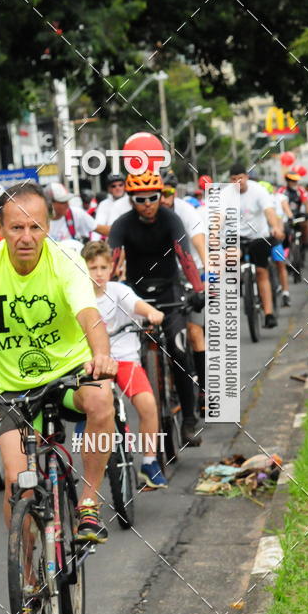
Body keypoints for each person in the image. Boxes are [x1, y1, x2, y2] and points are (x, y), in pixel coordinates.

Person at [0, 182, 118, 543]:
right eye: (16, 227)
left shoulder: (64, 259)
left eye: (35, 227)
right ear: (0, 228)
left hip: (67, 374)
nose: (26, 237)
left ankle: (89, 501)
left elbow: (90, 316)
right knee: (18, 488)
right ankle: (29, 581)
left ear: (47, 227)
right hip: (13, 389)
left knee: (101, 398)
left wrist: (102, 356)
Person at [108, 171, 204, 445]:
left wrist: (197, 289)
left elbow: (185, 257)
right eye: (140, 199)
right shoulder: (121, 224)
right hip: (136, 296)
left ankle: (188, 419)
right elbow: (111, 264)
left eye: (153, 197)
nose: (148, 203)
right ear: (131, 200)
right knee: (128, 352)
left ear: (161, 196)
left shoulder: (171, 219)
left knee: (178, 348)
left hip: (170, 291)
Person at [81, 241, 167, 487]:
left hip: (125, 360)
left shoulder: (119, 291)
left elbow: (139, 306)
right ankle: (100, 454)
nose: (98, 273)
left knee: (148, 403)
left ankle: (149, 462)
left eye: (103, 267)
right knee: (95, 407)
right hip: (96, 364)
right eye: (92, 267)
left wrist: (152, 313)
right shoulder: (79, 297)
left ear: (111, 269)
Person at [160, 170, 208, 416]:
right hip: (165, 279)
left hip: (192, 271)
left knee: (193, 330)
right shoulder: (148, 215)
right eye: (160, 193)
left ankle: (204, 390)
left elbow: (199, 242)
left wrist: (207, 275)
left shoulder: (186, 211)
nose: (164, 199)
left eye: (168, 193)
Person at [229, 162, 284, 328]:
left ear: (246, 177)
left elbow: (269, 211)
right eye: (233, 179)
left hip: (259, 236)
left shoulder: (258, 190)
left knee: (261, 272)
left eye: (241, 178)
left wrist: (275, 227)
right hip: (237, 237)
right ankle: (241, 290)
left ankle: (268, 313)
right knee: (231, 262)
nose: (238, 182)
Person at [45, 182, 99, 246]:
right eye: (63, 202)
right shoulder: (39, 220)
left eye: (67, 200)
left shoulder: (75, 213)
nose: (67, 204)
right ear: (50, 203)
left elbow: (100, 228)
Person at [279, 171, 308, 250]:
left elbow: (306, 203)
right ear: (287, 181)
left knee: (306, 224)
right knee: (283, 233)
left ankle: (305, 244)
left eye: (296, 181)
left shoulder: (300, 190)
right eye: (293, 181)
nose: (295, 182)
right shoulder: (282, 190)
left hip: (297, 215)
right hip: (285, 216)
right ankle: (284, 248)